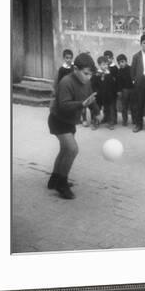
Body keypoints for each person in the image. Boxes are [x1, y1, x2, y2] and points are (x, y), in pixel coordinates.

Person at [47, 53, 102, 199]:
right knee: (72, 149)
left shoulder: (87, 82)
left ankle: (54, 179)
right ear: (75, 69)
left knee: (65, 150)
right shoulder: (66, 82)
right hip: (58, 120)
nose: (88, 77)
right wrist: (81, 104)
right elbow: (63, 105)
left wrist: (97, 112)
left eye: (90, 74)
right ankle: (62, 184)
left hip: (70, 121)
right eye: (85, 73)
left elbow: (91, 98)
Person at [91, 56, 117, 130]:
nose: (105, 66)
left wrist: (112, 93)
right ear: (99, 65)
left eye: (106, 64)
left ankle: (110, 122)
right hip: (98, 95)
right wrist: (95, 92)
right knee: (97, 109)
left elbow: (112, 84)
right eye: (103, 64)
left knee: (108, 109)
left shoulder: (109, 74)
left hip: (107, 95)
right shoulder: (96, 74)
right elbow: (93, 84)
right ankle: (95, 122)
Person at [116, 54, 135, 126]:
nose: (121, 64)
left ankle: (134, 120)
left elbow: (135, 79)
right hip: (124, 91)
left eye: (122, 62)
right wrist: (119, 91)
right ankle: (125, 120)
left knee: (133, 106)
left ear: (126, 61)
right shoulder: (119, 71)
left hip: (132, 90)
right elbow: (118, 82)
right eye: (119, 63)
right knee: (124, 107)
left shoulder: (131, 69)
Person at [104, 50, 119, 125]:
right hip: (105, 90)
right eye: (106, 58)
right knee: (105, 105)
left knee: (112, 106)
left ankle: (113, 119)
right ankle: (106, 117)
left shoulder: (114, 68)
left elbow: (116, 80)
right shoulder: (104, 67)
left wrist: (117, 90)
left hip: (112, 91)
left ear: (112, 58)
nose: (108, 60)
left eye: (109, 58)